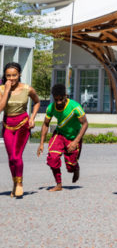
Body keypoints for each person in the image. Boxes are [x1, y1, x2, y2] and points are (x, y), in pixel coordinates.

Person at [37, 83, 89, 192]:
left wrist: (76, 141)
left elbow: (85, 123)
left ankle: (75, 168)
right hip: (59, 134)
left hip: (74, 137)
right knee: (53, 158)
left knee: (70, 167)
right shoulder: (51, 108)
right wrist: (41, 143)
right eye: (56, 100)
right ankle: (58, 184)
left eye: (61, 99)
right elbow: (46, 124)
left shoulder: (75, 107)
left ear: (66, 95)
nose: (59, 102)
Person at [0, 62, 40, 197]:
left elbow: (37, 102)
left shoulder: (28, 89)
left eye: (14, 75)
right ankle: (15, 183)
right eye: (8, 76)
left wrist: (32, 118)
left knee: (17, 156)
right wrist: (6, 90)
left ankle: (20, 183)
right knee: (11, 158)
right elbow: (0, 108)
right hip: (7, 124)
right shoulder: (1, 89)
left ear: (20, 75)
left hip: (23, 124)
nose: (11, 78)